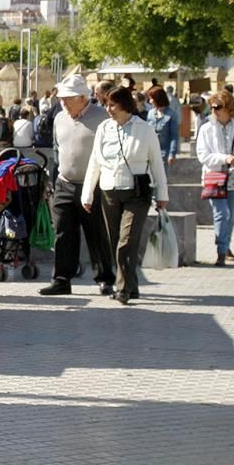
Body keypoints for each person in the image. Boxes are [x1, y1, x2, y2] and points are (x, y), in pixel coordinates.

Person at [82, 86, 169, 304]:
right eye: (106, 105)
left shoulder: (145, 129)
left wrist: (162, 194)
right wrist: (88, 194)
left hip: (137, 192)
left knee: (126, 241)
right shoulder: (104, 128)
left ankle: (122, 289)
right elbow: (95, 161)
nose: (108, 109)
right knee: (114, 243)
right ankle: (132, 284)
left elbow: (157, 164)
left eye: (112, 104)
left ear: (124, 104)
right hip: (109, 190)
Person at [40, 76, 116, 296]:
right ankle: (61, 279)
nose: (63, 103)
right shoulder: (59, 118)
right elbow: (57, 149)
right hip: (65, 183)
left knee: (97, 234)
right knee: (63, 233)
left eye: (68, 99)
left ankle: (104, 278)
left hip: (93, 186)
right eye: (61, 98)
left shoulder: (102, 117)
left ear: (83, 98)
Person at [196, 90, 234, 266]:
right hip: (215, 177)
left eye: (217, 107)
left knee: (231, 216)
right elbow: (203, 155)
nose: (214, 110)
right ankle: (221, 251)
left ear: (228, 108)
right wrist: (224, 158)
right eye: (211, 107)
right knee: (221, 214)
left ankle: (225, 246)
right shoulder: (206, 128)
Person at [146, 86, 179, 166]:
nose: (150, 101)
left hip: (164, 154)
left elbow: (174, 136)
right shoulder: (150, 113)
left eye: (151, 98)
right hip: (150, 154)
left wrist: (172, 153)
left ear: (157, 99)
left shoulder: (171, 115)